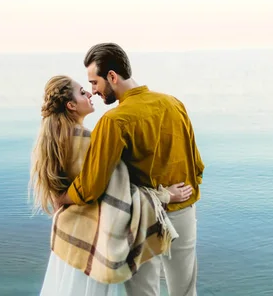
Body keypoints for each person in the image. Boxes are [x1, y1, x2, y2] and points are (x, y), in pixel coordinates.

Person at [56, 43, 205, 296]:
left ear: (112, 76)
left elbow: (91, 186)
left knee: (143, 293)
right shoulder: (174, 103)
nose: (94, 91)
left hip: (143, 220)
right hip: (184, 210)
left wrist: (63, 197)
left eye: (94, 82)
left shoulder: (114, 121)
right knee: (185, 291)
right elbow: (196, 164)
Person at [31, 75, 192, 296]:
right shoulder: (90, 142)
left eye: (91, 85)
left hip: (68, 236)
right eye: (82, 92)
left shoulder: (53, 141)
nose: (90, 93)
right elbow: (119, 195)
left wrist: (65, 198)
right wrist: (165, 197)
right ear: (70, 105)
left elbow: (65, 193)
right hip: (95, 239)